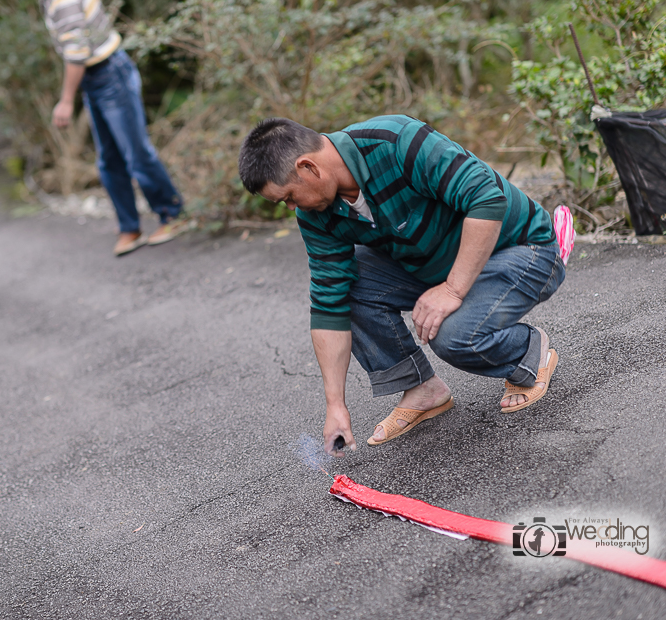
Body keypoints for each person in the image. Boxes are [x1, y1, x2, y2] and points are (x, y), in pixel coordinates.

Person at [237, 116, 566, 457]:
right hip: (433, 266)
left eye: (289, 196)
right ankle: (422, 389)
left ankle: (527, 352)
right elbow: (328, 301)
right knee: (347, 286)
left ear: (308, 167)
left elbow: (486, 198)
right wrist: (335, 405)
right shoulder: (316, 212)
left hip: (522, 250)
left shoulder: (397, 142)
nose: (292, 207)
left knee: (452, 336)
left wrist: (452, 291)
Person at [11, 0, 185, 256]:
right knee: (109, 161)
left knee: (136, 154)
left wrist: (65, 101)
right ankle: (129, 228)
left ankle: (172, 215)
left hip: (108, 74)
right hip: (98, 78)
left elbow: (76, 53)